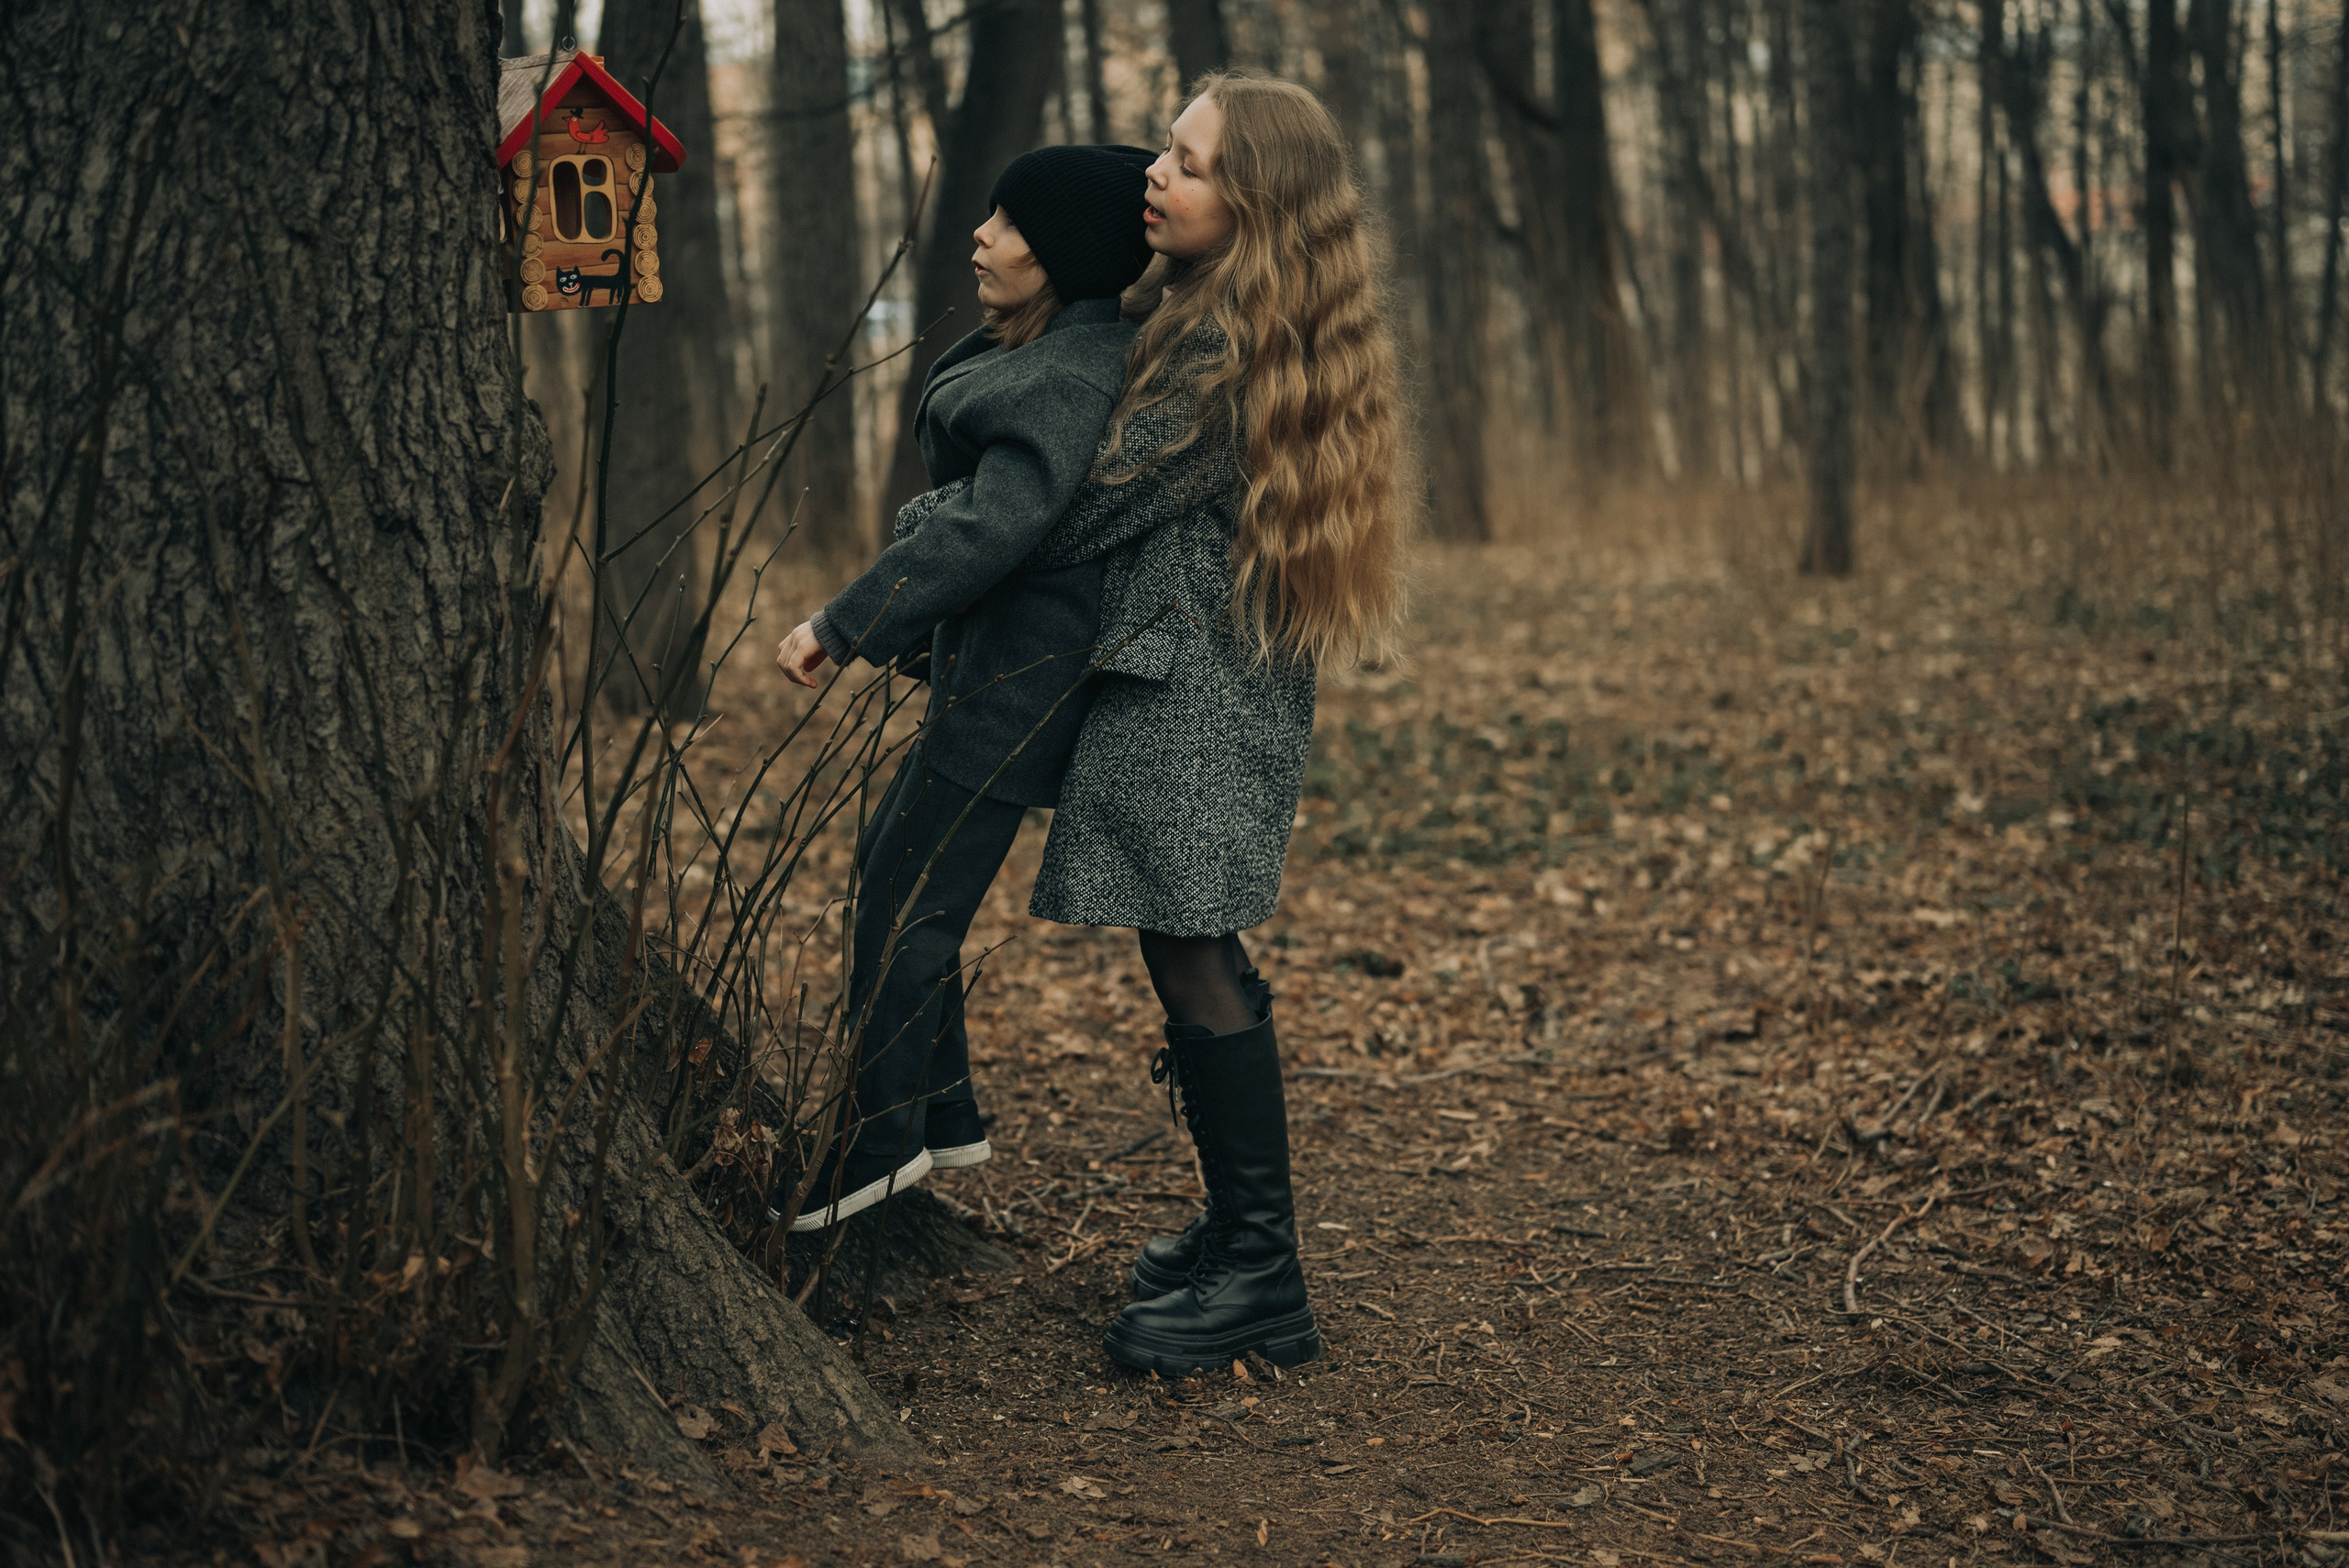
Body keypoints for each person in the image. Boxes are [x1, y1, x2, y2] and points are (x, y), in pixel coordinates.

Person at [1018, 72, 1408, 1375]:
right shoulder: (1219, 312)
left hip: (1194, 697)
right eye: (1165, 152)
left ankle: (1262, 1273)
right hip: (1206, 681)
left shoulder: (1220, 350)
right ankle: (1243, 1235)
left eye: (1183, 163)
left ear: (1254, 205)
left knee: (1191, 954)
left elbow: (1083, 512)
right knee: (1194, 949)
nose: (1154, 175)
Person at [770, 144, 1156, 1232]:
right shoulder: (1030, 352)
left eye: (1007, 223)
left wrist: (847, 622)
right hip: (989, 672)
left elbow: (996, 525)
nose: (980, 239)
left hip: (1019, 684)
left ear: (1066, 252)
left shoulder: (1073, 375)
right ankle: (939, 1111)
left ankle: (875, 1145)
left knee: (908, 907)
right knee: (889, 872)